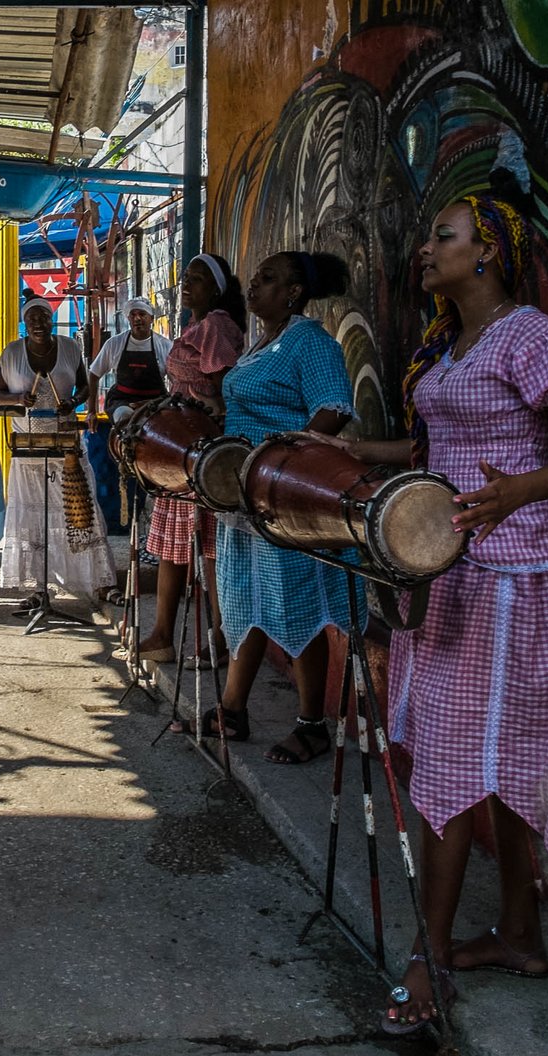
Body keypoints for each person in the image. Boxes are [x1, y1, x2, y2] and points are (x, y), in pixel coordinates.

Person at [328, 196, 548, 1033]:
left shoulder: (527, 337)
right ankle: (520, 935)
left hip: (518, 580)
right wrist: (361, 455)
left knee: (453, 759)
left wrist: (518, 490)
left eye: (443, 237)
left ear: (487, 252)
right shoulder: (452, 347)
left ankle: (432, 955)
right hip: (456, 573)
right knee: (490, 755)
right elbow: (435, 453)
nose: (425, 249)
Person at [200, 251, 362, 752]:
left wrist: (284, 463)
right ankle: (232, 709)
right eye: (253, 278)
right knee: (244, 598)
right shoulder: (259, 346)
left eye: (267, 279)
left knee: (296, 605)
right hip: (242, 499)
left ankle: (313, 725)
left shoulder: (309, 341)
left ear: (294, 292)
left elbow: (333, 408)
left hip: (281, 497)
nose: (253, 287)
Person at [138, 254, 246, 665]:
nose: (188, 284)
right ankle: (163, 634)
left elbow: (224, 394)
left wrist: (199, 405)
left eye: (197, 280)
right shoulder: (196, 326)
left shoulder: (216, 325)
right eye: (186, 277)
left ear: (216, 289)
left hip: (202, 453)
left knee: (210, 550)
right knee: (171, 546)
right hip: (179, 452)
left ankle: (220, 637)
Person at [0, 297, 115, 607]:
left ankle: (96, 581)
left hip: (66, 445)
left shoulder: (69, 348)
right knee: (34, 518)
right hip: (28, 447)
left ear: (51, 320)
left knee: (78, 510)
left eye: (43, 317)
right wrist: (19, 399)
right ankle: (39, 587)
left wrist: (73, 404)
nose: (38, 323)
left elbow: (85, 387)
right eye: (32, 318)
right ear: (25, 322)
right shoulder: (11, 353)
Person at [86, 297, 172, 429]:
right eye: (133, 315)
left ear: (151, 318)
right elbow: (94, 374)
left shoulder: (165, 346)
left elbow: (177, 381)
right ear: (128, 319)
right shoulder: (114, 344)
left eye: (142, 314)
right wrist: (91, 411)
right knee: (125, 416)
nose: (137, 319)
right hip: (122, 401)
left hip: (156, 401)